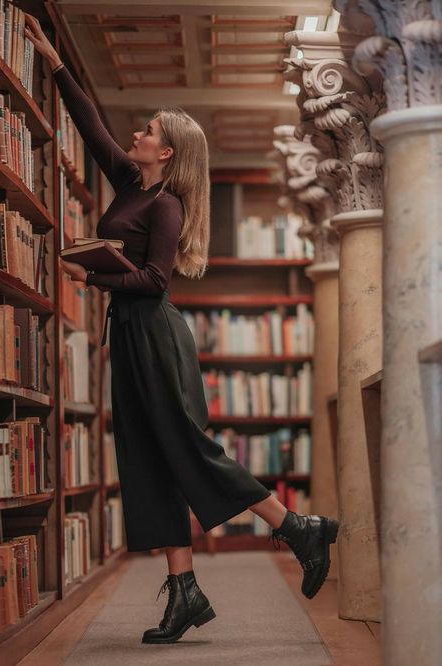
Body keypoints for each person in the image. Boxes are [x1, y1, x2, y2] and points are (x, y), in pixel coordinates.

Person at [25, 14, 339, 646]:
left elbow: (155, 279)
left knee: (189, 448)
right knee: (146, 459)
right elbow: (91, 126)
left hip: (157, 334)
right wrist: (52, 59)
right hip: (130, 336)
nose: (137, 134)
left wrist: (95, 278)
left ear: (165, 151)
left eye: (149, 131)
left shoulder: (165, 205)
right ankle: (185, 592)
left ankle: (296, 525)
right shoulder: (126, 183)